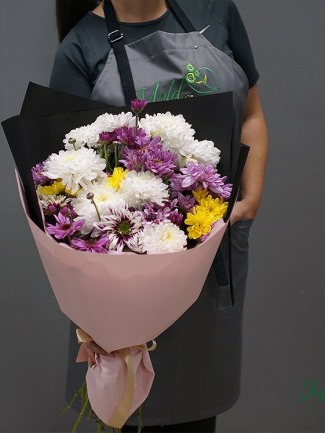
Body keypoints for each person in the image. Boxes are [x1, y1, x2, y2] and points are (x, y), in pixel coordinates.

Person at [49, 1, 268, 432]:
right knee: (127, 409)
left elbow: (253, 115)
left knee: (197, 410)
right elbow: (62, 174)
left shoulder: (215, 12)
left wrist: (252, 197)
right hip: (125, 266)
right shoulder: (81, 47)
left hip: (212, 252)